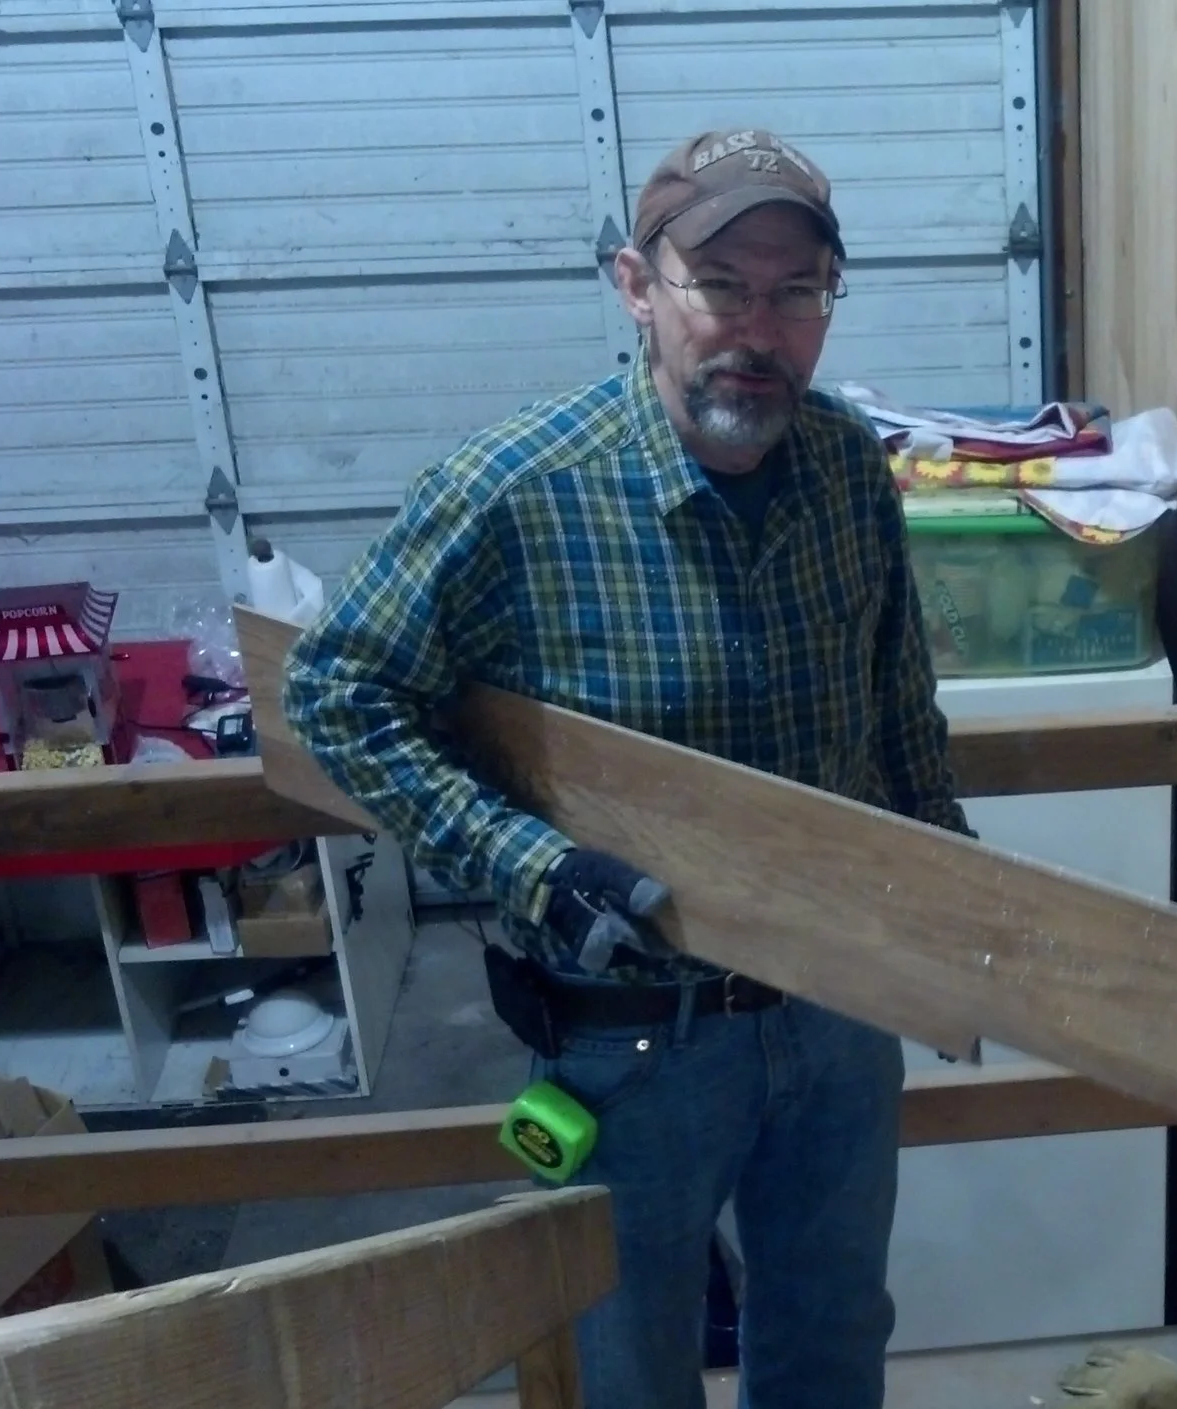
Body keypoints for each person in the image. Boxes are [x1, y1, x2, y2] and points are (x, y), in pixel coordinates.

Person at [282, 127, 971, 1409]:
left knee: (831, 1342)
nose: (756, 329)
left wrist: (952, 899)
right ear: (636, 286)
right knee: (626, 1366)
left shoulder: (844, 468)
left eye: (795, 291)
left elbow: (898, 710)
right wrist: (535, 867)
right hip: (628, 1043)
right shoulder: (515, 491)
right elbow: (335, 689)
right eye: (721, 285)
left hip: (833, 1013)